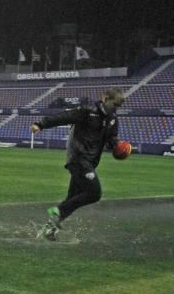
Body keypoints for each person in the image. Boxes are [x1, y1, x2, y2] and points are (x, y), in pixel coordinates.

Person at [31, 87, 126, 241]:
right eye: (114, 104)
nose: (115, 109)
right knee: (94, 193)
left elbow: (111, 139)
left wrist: (117, 146)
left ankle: (49, 229)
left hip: (90, 162)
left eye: (118, 107)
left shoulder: (112, 119)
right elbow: (65, 117)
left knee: (72, 197)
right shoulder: (88, 111)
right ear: (105, 98)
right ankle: (58, 211)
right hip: (78, 158)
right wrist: (41, 124)